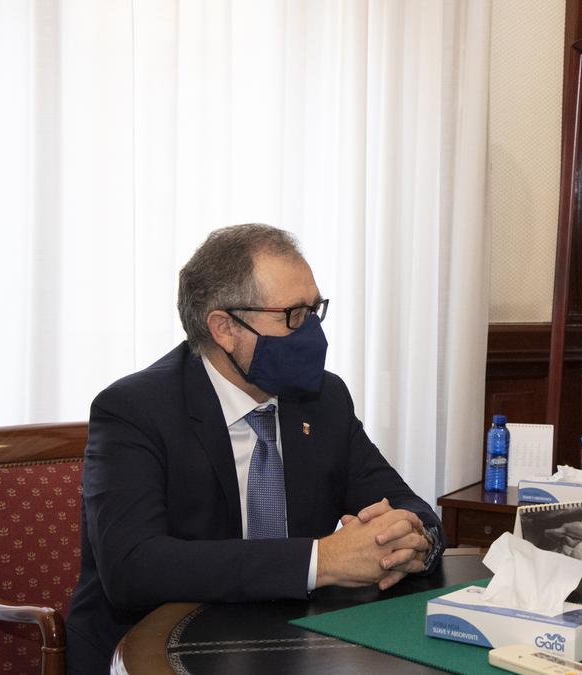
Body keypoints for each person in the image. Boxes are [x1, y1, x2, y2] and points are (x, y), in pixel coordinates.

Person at [66, 224, 444, 672]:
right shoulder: (135, 410)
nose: (314, 333)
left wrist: (413, 539)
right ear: (224, 328)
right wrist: (321, 560)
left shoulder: (323, 400)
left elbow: (404, 502)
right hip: (156, 652)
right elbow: (133, 566)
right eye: (294, 316)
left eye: (316, 310)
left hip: (293, 646)